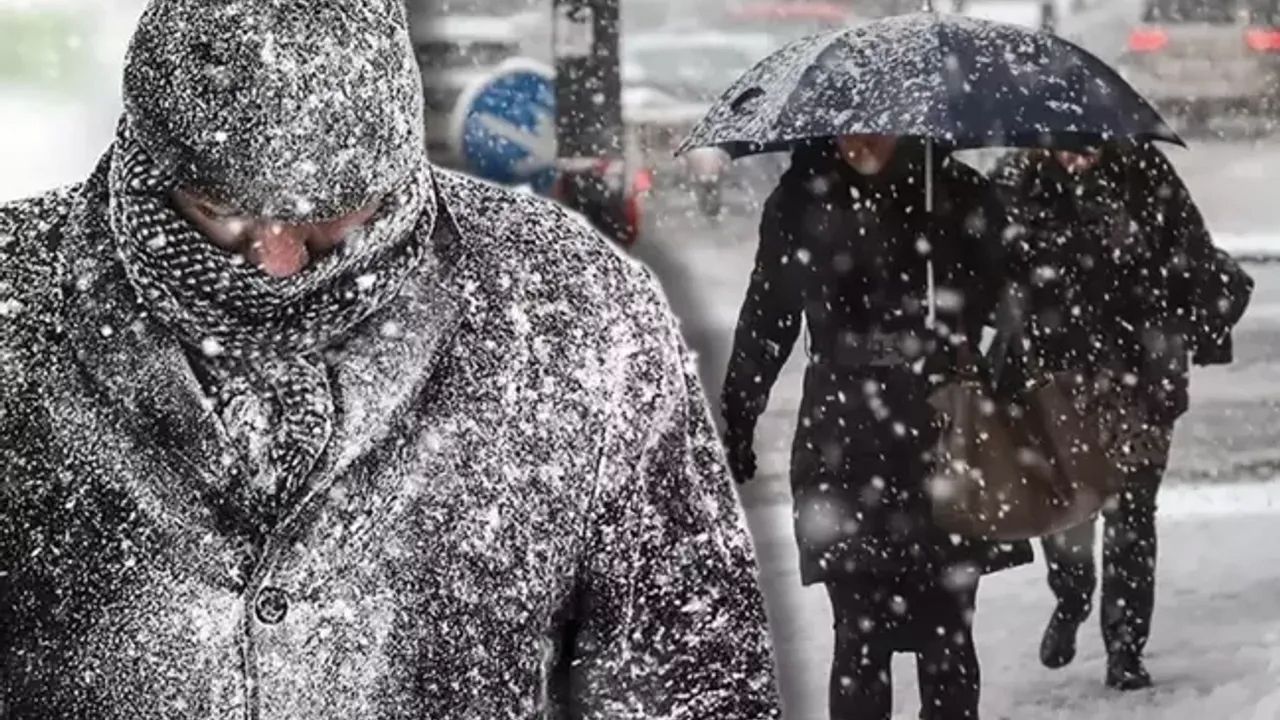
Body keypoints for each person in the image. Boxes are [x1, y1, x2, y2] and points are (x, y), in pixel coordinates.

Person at [0, 1, 782, 717]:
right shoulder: (16, 309)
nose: (279, 263)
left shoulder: (569, 307)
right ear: (147, 160)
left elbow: (690, 671)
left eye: (335, 217)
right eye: (222, 212)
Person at [722, 134, 1032, 720]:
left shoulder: (959, 193)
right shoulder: (800, 200)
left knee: (948, 637)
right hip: (843, 440)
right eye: (844, 122)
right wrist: (739, 412)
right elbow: (769, 313)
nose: (859, 135)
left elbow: (1017, 306)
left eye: (874, 121)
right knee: (860, 639)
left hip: (944, 438)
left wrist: (971, 345)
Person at [992, 142, 1253, 690]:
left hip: (1136, 379)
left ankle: (1126, 647)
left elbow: (1193, 256)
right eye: (1063, 141)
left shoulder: (1145, 172)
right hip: (1053, 379)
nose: (1076, 153)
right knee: (1065, 514)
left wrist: (1153, 272)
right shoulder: (1014, 181)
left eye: (1088, 142)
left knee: (1132, 518)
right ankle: (1072, 597)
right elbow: (987, 276)